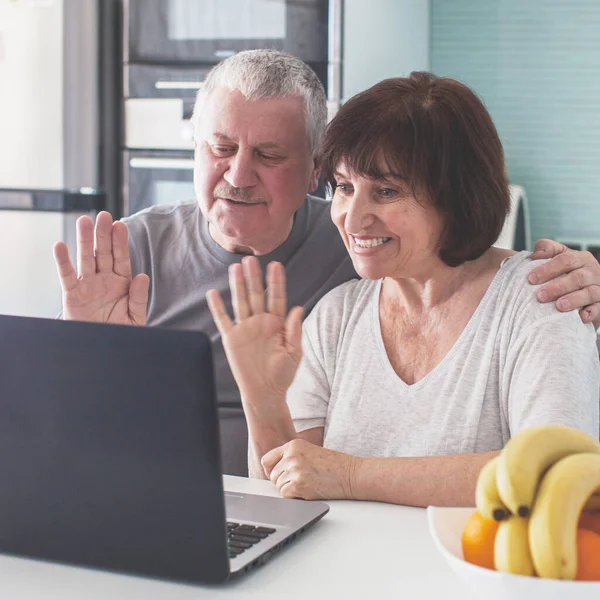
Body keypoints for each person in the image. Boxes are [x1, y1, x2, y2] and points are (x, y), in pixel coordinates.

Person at [53, 50, 600, 477]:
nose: (238, 176)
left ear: (311, 169)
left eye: (268, 155)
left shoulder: (365, 261)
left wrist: (586, 278)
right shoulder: (131, 252)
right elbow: (50, 432)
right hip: (164, 497)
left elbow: (558, 470)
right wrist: (89, 357)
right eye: (219, 148)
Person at [207, 72, 600, 507]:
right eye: (344, 187)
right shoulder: (336, 317)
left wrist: (353, 475)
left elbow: (558, 474)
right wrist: (263, 401)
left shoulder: (544, 297)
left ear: (457, 196)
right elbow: (288, 497)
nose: (352, 220)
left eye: (387, 191)